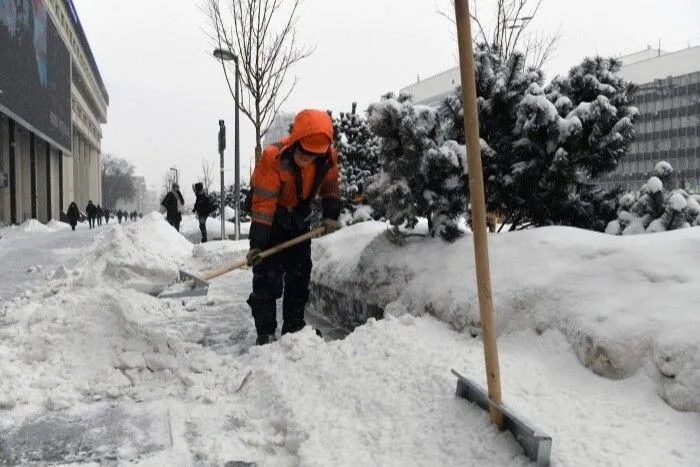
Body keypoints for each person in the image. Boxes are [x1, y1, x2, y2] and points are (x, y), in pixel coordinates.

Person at [246, 109, 342, 346]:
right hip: (272, 224)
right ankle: (266, 332)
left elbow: (330, 185)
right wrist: (257, 244)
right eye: (303, 154)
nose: (306, 160)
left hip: (300, 223)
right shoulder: (273, 158)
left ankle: (294, 328)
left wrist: (331, 215)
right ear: (295, 142)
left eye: (312, 157)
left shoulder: (327, 157)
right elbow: (263, 204)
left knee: (300, 275)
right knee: (268, 278)